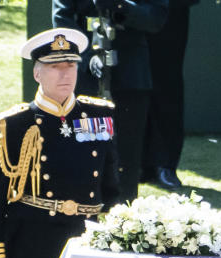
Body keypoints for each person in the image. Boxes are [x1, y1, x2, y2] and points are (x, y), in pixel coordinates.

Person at [0, 28, 120, 258]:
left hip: (87, 240)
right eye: (55, 67)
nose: (65, 74)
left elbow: (112, 191)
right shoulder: (14, 126)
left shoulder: (99, 117)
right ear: (37, 72)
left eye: (71, 66)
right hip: (34, 244)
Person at [53, 0, 169, 204]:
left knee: (126, 159)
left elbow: (156, 18)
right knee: (87, 151)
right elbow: (62, 20)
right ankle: (84, 220)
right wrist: (87, 55)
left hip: (130, 74)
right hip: (87, 78)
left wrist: (122, 7)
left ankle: (123, 224)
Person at [141, 0, 200, 190]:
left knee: (166, 84)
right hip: (129, 11)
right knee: (132, 83)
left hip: (169, 11)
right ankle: (138, 164)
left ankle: (164, 164)